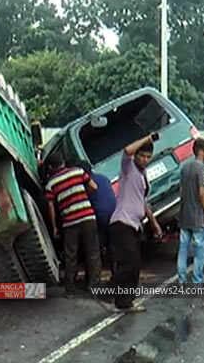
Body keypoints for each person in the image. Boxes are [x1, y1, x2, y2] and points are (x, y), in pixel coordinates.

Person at [108, 133, 163, 312]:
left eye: (148, 157)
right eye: (142, 156)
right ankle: (109, 290)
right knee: (130, 262)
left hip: (134, 225)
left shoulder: (143, 175)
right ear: (136, 156)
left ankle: (124, 302)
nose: (145, 160)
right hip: (121, 222)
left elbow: (143, 202)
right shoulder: (128, 168)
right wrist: (148, 138)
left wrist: (154, 223)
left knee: (135, 264)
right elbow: (127, 150)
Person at [45, 155, 102, 298]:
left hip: (69, 222)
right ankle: (94, 286)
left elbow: (51, 207)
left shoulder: (51, 184)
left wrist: (54, 228)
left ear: (51, 167)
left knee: (71, 255)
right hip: (87, 216)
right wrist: (83, 196)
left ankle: (70, 289)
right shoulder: (78, 172)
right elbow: (94, 187)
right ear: (63, 162)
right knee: (93, 253)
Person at [177, 138, 204, 285]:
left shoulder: (185, 167)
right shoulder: (201, 169)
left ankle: (181, 279)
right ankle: (197, 279)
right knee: (199, 250)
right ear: (201, 151)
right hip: (198, 216)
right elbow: (202, 193)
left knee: (183, 248)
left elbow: (181, 191)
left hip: (185, 215)